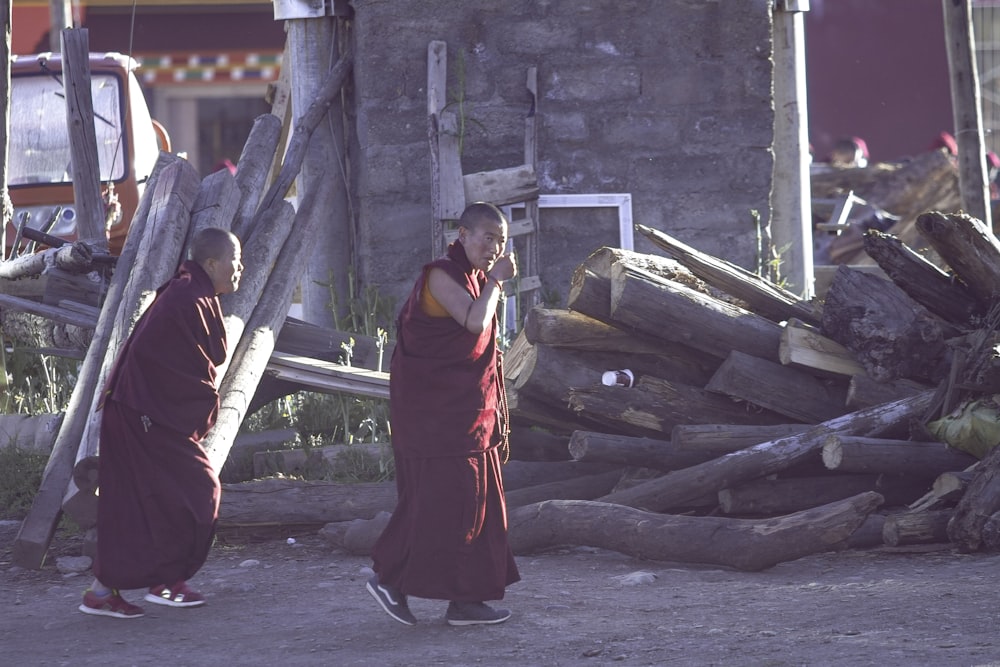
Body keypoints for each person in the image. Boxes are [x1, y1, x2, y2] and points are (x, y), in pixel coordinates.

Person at [367, 201, 521, 627]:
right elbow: (473, 324)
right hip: (435, 416)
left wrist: (490, 284)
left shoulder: (476, 279)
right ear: (463, 234)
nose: (494, 247)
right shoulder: (440, 275)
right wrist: (494, 284)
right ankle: (389, 579)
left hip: (469, 416)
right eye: (487, 237)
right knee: (440, 504)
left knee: (479, 506)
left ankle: (467, 600)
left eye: (501, 241)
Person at [78, 227, 243, 619]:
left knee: (135, 503)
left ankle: (104, 592)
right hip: (141, 414)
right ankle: (166, 583)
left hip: (137, 410)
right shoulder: (187, 297)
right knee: (200, 489)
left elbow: (183, 363)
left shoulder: (193, 293)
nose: (242, 268)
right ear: (212, 263)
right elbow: (165, 367)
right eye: (236, 260)